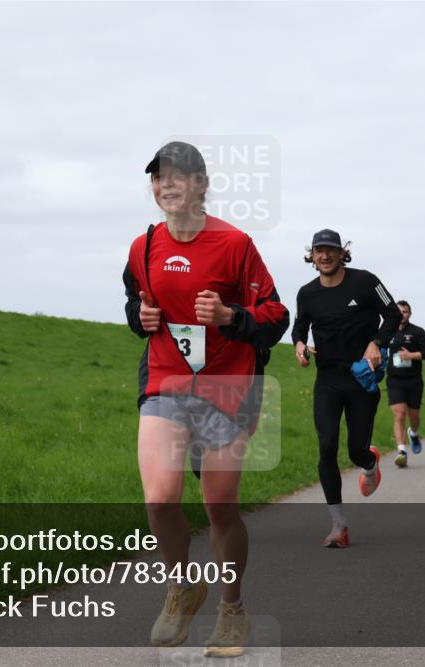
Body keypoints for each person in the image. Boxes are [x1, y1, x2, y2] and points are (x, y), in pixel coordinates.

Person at [122, 141, 290, 657]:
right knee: (159, 496)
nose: (166, 185)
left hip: (227, 387)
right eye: (158, 178)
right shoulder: (143, 246)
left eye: (177, 176)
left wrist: (230, 318)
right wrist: (139, 318)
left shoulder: (235, 244)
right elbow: (135, 298)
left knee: (220, 506)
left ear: (201, 185)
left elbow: (276, 317)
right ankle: (182, 586)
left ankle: (232, 609)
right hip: (166, 383)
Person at [292, 229, 401, 547]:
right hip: (327, 379)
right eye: (318, 251)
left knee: (355, 451)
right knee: (326, 446)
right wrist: (299, 343)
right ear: (311, 255)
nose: (324, 256)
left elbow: (392, 314)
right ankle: (338, 526)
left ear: (342, 253)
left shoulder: (365, 282)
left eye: (330, 250)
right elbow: (300, 325)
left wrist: (376, 342)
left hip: (361, 377)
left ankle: (369, 462)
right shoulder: (307, 293)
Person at [385, 300, 425, 468]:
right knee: (399, 415)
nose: (402, 314)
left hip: (413, 380)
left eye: (405, 312)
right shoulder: (387, 331)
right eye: (399, 311)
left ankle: (413, 433)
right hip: (394, 380)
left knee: (414, 416)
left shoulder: (418, 332)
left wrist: (411, 355)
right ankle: (401, 451)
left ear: (409, 314)